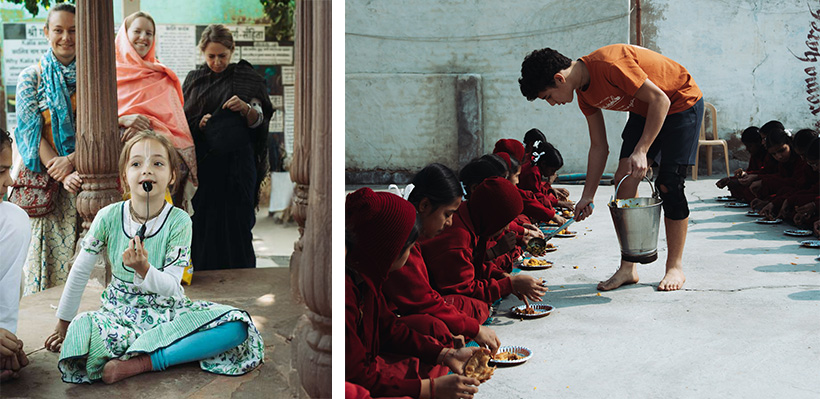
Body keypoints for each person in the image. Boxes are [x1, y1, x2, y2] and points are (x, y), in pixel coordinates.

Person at [43, 131, 264, 384]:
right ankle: (166, 350)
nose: (146, 170)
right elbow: (80, 271)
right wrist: (63, 324)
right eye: (136, 164)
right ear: (125, 177)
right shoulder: (108, 216)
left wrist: (145, 270)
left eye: (157, 163)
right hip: (119, 314)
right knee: (83, 327)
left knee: (237, 327)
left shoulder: (179, 221)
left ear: (171, 176)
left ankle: (144, 362)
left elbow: (171, 287)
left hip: (168, 313)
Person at [520, 44, 704, 291]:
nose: (552, 103)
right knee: (624, 182)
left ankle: (675, 267)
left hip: (680, 101)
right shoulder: (584, 96)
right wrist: (587, 196)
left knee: (668, 184)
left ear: (558, 79)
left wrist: (641, 150)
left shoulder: (609, 65)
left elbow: (660, 99)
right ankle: (628, 267)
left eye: (548, 97)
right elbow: (599, 147)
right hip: (645, 109)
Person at [346, 188, 482, 399]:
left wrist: (446, 355)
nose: (411, 254)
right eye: (408, 248)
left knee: (433, 349)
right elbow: (357, 379)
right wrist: (430, 390)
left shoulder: (367, 281)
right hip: (357, 382)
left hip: (371, 362)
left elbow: (388, 327)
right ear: (388, 252)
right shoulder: (345, 295)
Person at [382, 164, 502, 353]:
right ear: (424, 205)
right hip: (391, 318)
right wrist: (474, 329)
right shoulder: (401, 239)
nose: (450, 222)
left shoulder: (417, 234)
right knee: (435, 328)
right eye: (447, 214)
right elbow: (422, 301)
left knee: (471, 309)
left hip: (410, 308)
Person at [182, 24, 274, 270]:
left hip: (237, 168)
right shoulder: (194, 80)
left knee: (238, 223)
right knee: (203, 223)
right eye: (211, 56)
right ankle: (204, 277)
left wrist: (245, 108)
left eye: (222, 55)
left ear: (232, 51)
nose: (217, 62)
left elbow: (259, 119)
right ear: (203, 52)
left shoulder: (246, 78)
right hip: (206, 166)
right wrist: (199, 123)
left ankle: (242, 278)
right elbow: (181, 121)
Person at [13, 3, 82, 295]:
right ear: (46, 32)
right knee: (47, 266)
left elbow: (100, 130)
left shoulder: (95, 77)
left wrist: (74, 161)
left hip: (86, 179)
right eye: (58, 30)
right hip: (47, 186)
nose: (65, 37)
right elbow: (29, 132)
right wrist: (62, 171)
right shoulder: (31, 77)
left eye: (73, 30)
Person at [423, 177, 546, 312]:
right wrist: (508, 285)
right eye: (504, 223)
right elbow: (463, 288)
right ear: (491, 218)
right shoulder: (458, 237)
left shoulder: (471, 216)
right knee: (479, 308)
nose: (506, 229)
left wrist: (503, 277)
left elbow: (474, 263)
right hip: (433, 294)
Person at [116, 11, 198, 209]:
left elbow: (178, 130)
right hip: (116, 169)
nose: (143, 37)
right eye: (137, 31)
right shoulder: (108, 73)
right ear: (125, 35)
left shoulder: (163, 76)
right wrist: (122, 120)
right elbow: (95, 121)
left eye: (149, 33)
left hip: (157, 167)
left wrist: (149, 134)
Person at [0, 128, 32, 381]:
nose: (10, 181)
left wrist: (4, 338)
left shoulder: (8, 219)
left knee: (14, 217)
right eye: (1, 171)